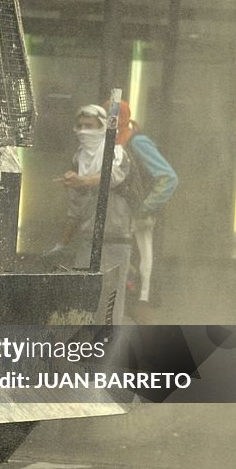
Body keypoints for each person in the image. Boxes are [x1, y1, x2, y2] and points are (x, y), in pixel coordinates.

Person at [46, 104, 132, 325]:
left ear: (103, 127)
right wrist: (61, 244)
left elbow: (110, 177)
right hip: (87, 241)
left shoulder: (116, 153)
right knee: (81, 301)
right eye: (81, 126)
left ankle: (107, 350)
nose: (84, 131)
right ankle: (81, 349)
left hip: (115, 240)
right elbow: (74, 209)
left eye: (90, 126)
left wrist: (82, 180)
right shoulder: (78, 159)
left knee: (110, 304)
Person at [113, 102, 178, 324]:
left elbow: (168, 178)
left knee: (141, 293)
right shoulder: (113, 144)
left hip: (138, 227)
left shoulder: (137, 142)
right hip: (120, 227)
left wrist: (144, 208)